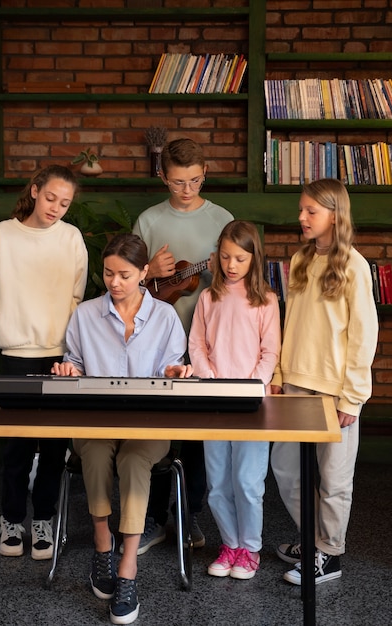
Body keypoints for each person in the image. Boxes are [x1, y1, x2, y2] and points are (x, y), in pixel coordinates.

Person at [51, 233, 192, 626]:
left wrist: (175, 371)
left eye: (125, 275)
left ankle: (127, 567)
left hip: (149, 426)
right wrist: (69, 370)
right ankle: (102, 545)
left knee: (133, 459)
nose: (114, 283)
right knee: (93, 452)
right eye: (109, 274)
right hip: (96, 422)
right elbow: (74, 362)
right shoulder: (85, 314)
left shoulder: (164, 317)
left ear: (145, 273)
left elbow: (171, 365)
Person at [270, 178, 378, 585]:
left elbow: (364, 335)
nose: (301, 217)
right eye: (301, 209)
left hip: (335, 392)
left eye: (310, 211)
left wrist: (352, 398)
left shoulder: (354, 265)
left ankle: (329, 554)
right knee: (285, 470)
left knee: (334, 479)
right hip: (295, 384)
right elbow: (289, 324)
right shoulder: (298, 261)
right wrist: (279, 375)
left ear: (334, 214)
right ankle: (311, 538)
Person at [132, 137, 233, 553]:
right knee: (154, 432)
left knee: (194, 435)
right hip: (153, 346)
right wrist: (148, 270)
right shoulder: (148, 220)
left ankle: (188, 517)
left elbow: (236, 280)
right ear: (162, 177)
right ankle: (153, 517)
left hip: (205, 343)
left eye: (193, 181)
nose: (187, 190)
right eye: (177, 183)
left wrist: (221, 271)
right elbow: (123, 279)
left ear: (204, 174)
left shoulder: (223, 218)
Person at [0, 165, 88, 560]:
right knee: (16, 446)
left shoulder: (71, 238)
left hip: (59, 355)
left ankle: (43, 519)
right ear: (34, 190)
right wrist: (18, 328)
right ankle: (11, 519)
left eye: (65, 203)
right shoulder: (4, 234)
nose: (56, 208)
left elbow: (77, 297)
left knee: (53, 446)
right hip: (15, 352)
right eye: (50, 198)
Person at [189, 220, 281, 579]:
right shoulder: (208, 298)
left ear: (253, 259)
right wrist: (210, 378)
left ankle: (251, 548)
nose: (231, 265)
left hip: (251, 405)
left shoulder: (266, 301)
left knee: (247, 481)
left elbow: (270, 352)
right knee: (218, 485)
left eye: (240, 259)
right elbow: (197, 344)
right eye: (225, 257)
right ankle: (229, 545)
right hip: (213, 402)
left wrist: (249, 388)